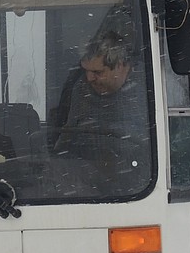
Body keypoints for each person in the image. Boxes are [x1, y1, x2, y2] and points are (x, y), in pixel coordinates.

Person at [52, 28, 148, 191]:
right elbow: (68, 135)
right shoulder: (82, 89)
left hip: (138, 179)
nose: (89, 78)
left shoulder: (150, 88)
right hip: (87, 176)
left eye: (97, 72)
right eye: (86, 71)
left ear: (120, 65)